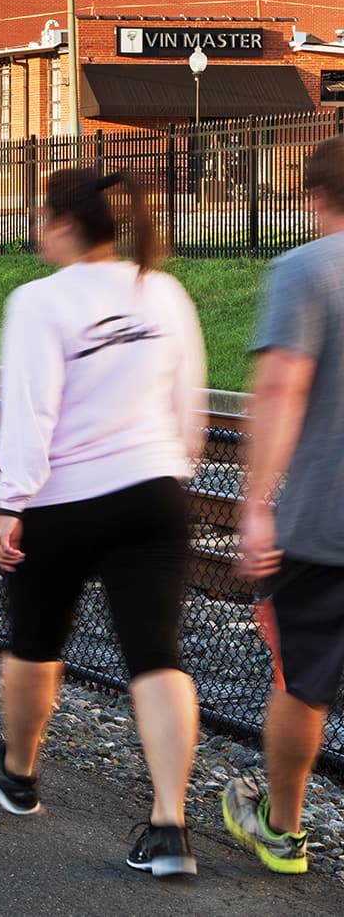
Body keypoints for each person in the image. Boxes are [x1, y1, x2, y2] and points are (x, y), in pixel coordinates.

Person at [0, 168, 206, 878]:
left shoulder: (38, 302)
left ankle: (18, 771)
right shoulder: (160, 289)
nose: (35, 226)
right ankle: (169, 829)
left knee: (36, 644)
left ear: (63, 224)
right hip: (154, 493)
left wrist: (13, 503)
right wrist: (168, 468)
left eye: (40, 215)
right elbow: (188, 402)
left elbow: (32, 409)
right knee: (156, 657)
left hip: (63, 501)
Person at [222, 135, 344, 876]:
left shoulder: (304, 269)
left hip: (325, 522)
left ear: (312, 197)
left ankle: (283, 830)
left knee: (304, 682)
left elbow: (279, 391)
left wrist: (256, 504)